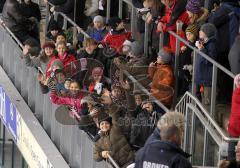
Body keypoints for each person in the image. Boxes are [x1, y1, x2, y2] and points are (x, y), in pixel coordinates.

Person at [94, 90, 134, 167]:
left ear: (110, 124)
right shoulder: (98, 140)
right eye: (102, 124)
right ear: (99, 126)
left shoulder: (115, 128)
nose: (104, 125)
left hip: (129, 161)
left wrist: (111, 104)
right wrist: (101, 154)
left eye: (107, 123)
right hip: (116, 165)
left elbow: (114, 114)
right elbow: (95, 157)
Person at [195, 23, 217, 105]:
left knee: (206, 102)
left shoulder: (212, 45)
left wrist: (202, 49)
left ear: (207, 33)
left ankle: (206, 117)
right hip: (200, 76)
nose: (200, 32)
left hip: (206, 79)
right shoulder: (203, 42)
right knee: (197, 99)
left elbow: (211, 60)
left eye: (202, 31)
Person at [178, 24, 198, 96]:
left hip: (190, 71)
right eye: (186, 34)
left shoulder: (195, 45)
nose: (188, 36)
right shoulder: (187, 44)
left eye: (190, 34)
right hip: (184, 70)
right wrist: (182, 51)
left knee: (189, 89)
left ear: (195, 34)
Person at [227, 74, 240, 160]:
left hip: (233, 126)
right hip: (236, 125)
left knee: (231, 150)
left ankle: (230, 159)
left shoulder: (235, 93)